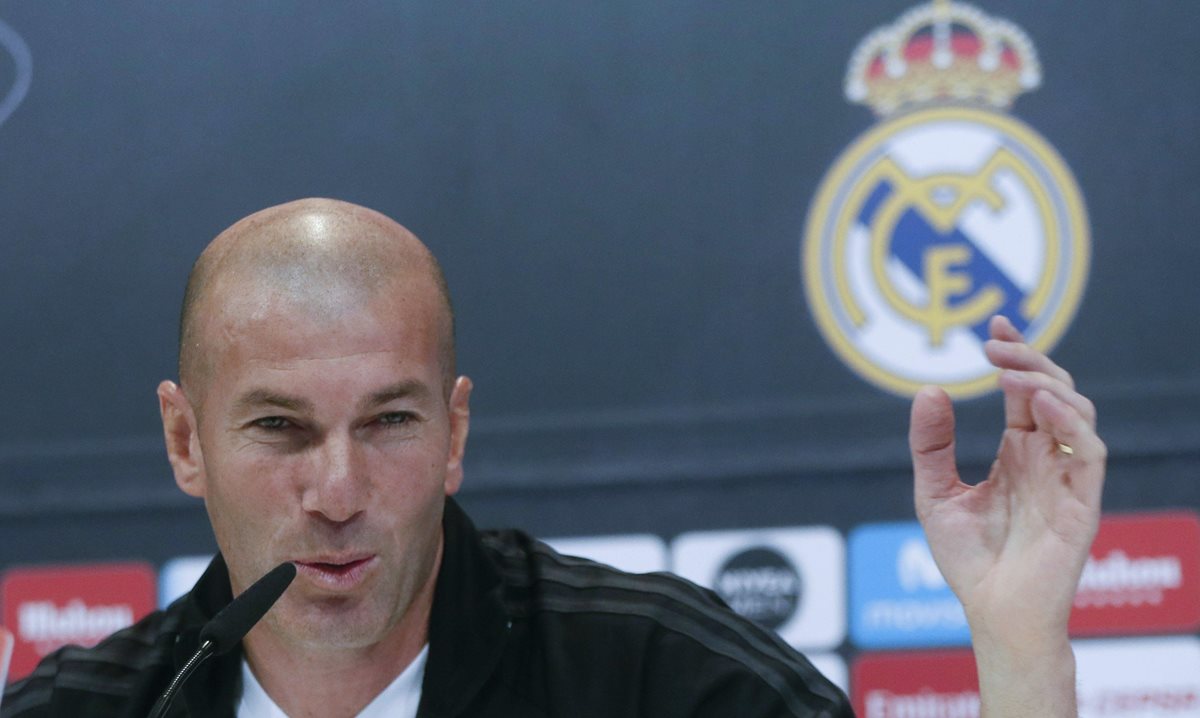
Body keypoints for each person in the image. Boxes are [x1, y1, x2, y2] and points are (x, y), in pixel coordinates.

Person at [1, 198, 1104, 718]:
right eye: (280, 428)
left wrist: (1019, 650)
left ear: (455, 435)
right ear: (185, 440)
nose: (337, 494)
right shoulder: (80, 716)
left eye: (389, 423)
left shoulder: (664, 682)